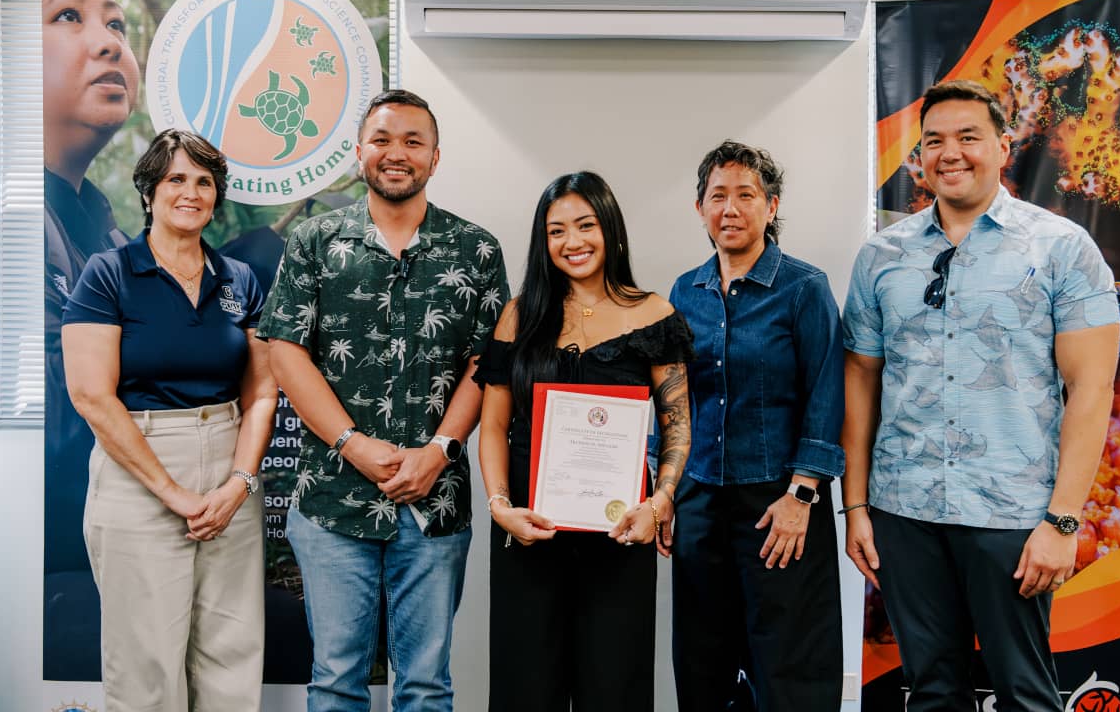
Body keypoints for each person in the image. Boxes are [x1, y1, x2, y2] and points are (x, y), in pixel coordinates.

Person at [841, 79, 1120, 710]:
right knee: (932, 689)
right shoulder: (882, 255)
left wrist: (1062, 521)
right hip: (904, 510)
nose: (951, 153)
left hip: (1014, 514)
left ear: (1003, 145)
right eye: (934, 141)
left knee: (1025, 692)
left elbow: (1092, 386)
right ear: (919, 156)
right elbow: (860, 374)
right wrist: (856, 506)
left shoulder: (1061, 247)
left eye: (969, 137)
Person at [257, 88, 509, 711]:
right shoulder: (315, 241)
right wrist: (354, 444)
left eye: (412, 142)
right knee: (337, 680)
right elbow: (287, 352)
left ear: (435, 157)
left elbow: (487, 365)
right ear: (360, 152)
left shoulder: (475, 249)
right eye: (383, 140)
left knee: (425, 686)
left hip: (435, 503)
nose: (397, 154)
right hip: (332, 500)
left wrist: (440, 449)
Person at [62, 130, 276, 711]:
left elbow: (261, 392)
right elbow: (90, 395)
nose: (191, 192)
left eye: (204, 182)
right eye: (176, 179)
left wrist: (239, 483)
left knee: (231, 657)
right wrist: (173, 492)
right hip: (141, 469)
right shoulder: (110, 274)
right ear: (149, 191)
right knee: (146, 666)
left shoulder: (239, 280)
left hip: (230, 465)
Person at [475, 171, 694, 712]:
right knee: (525, 687)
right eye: (556, 231)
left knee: (613, 686)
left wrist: (659, 503)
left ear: (611, 230)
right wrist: (500, 507)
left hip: (620, 531)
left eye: (585, 225)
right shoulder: (520, 315)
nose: (572, 242)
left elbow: (678, 426)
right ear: (542, 242)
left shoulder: (654, 314)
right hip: (527, 531)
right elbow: (494, 426)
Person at [668, 140, 845, 710]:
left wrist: (802, 495)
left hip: (780, 505)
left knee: (788, 667)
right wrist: (663, 489)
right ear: (700, 208)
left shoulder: (803, 287)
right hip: (699, 501)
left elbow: (827, 393)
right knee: (702, 662)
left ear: (771, 206)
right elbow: (671, 399)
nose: (730, 209)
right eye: (717, 196)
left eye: (746, 195)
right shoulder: (683, 292)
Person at [42, 0, 141, 679]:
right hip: (45, 564)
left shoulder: (102, 231)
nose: (109, 42)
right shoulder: (13, 224)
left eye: (118, 23)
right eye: (69, 15)